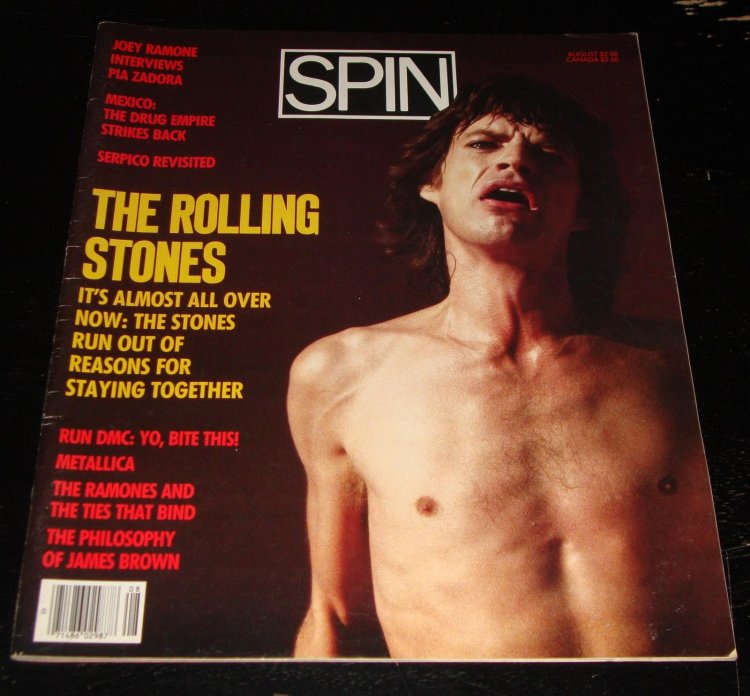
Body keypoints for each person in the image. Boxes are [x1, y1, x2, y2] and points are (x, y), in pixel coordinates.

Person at [288, 76, 735, 659]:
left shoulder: (685, 366)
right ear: (432, 182)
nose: (516, 160)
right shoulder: (342, 374)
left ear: (584, 209)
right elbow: (334, 615)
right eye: (483, 144)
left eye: (548, 155)